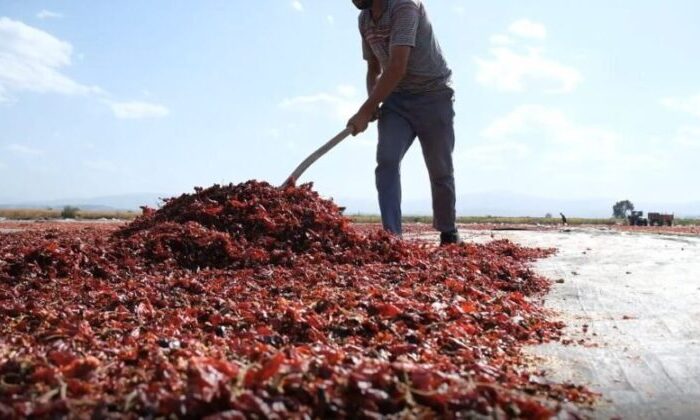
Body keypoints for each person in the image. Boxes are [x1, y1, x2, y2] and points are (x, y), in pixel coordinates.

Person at [347, 0, 459, 245]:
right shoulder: (364, 19)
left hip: (433, 94)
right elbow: (373, 68)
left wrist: (364, 111)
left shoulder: (405, 6)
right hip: (396, 99)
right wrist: (372, 102)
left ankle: (448, 231)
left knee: (439, 168)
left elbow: (397, 66)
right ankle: (392, 236)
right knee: (386, 160)